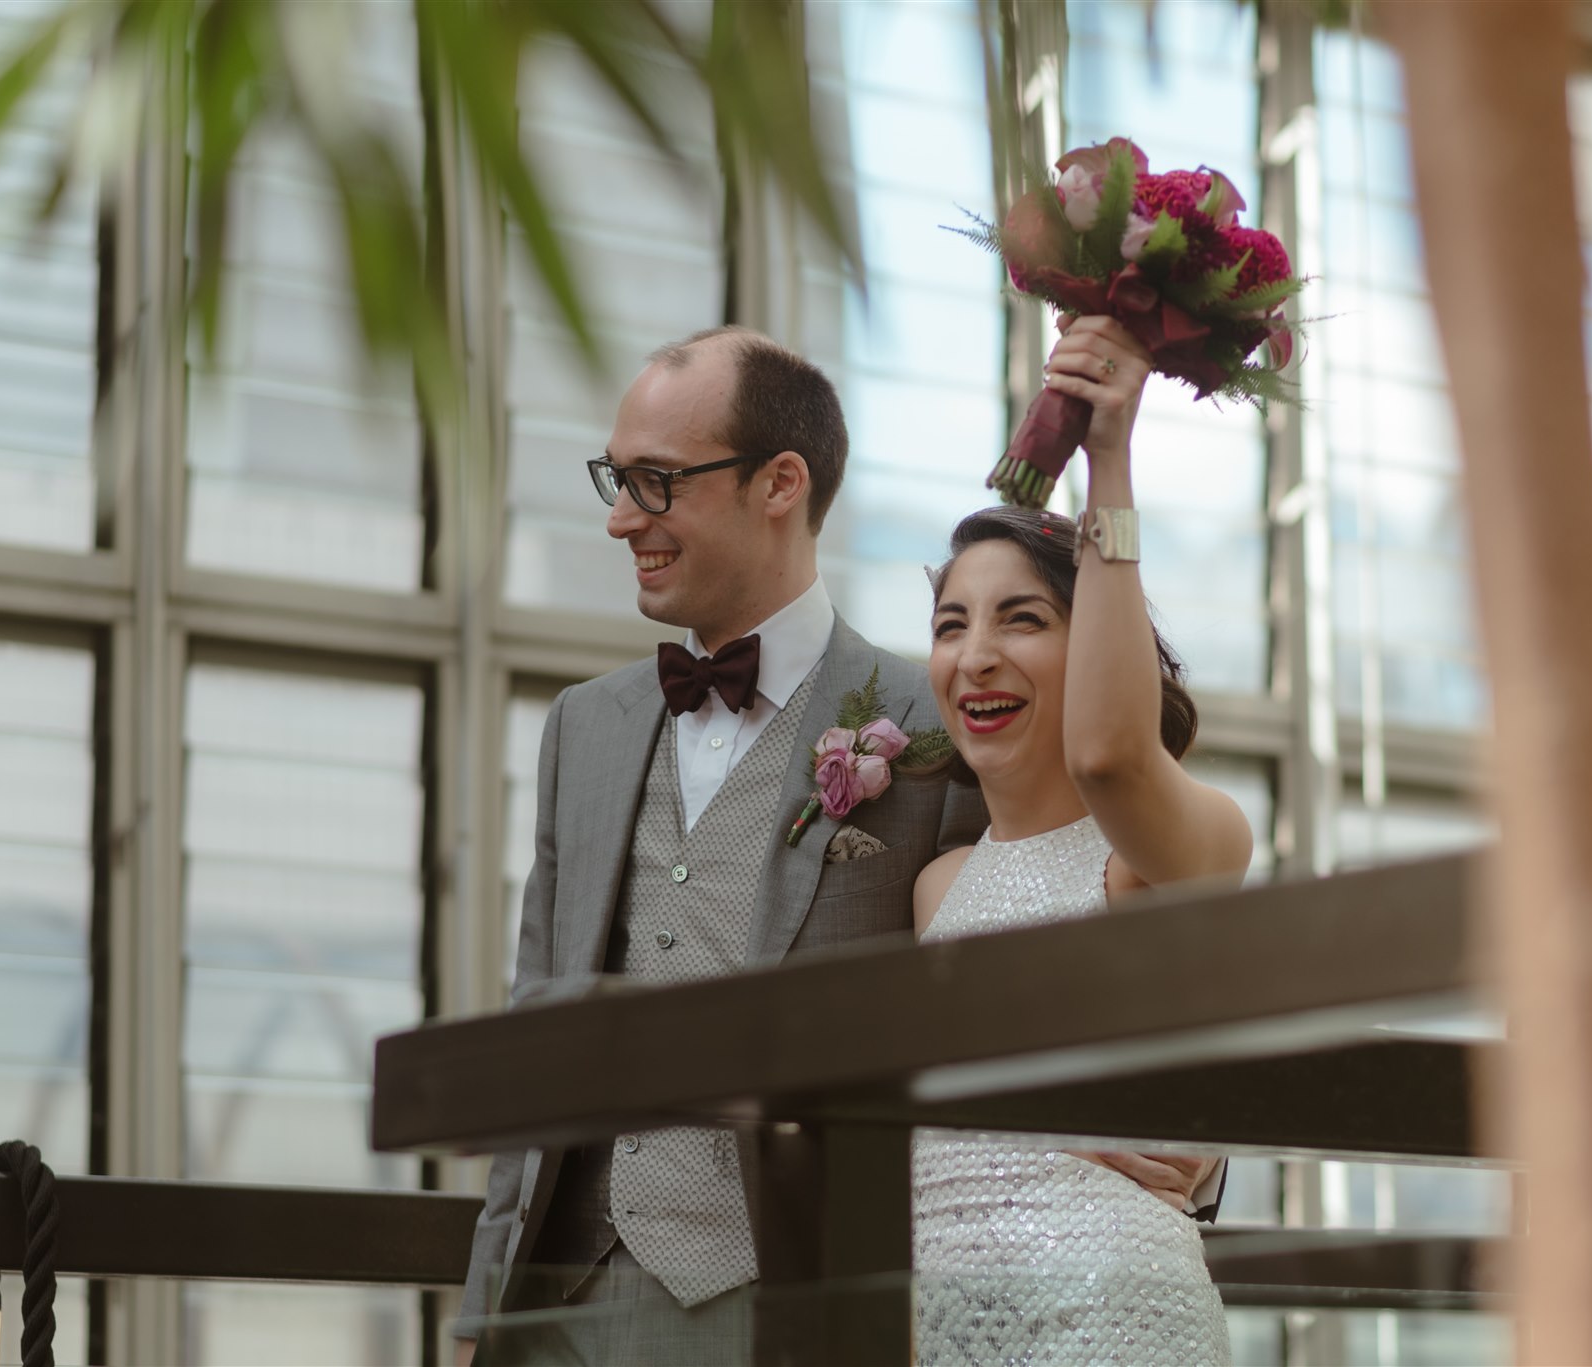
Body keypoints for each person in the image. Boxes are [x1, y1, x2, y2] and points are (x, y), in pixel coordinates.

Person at [455, 326, 1218, 1365]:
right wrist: (482, 1315)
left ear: (778, 482)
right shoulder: (583, 727)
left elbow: (1080, 932)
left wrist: (1196, 1141)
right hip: (565, 1308)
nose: (620, 515)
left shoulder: (940, 727)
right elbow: (533, 1023)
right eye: (615, 477)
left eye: (654, 480)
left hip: (797, 1306)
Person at [911, 315, 1250, 1365]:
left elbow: (1108, 753)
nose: (975, 658)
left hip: (1107, 1315)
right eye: (951, 623)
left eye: (1020, 619)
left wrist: (1109, 459)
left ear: (1096, 640)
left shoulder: (1166, 847)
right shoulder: (937, 885)